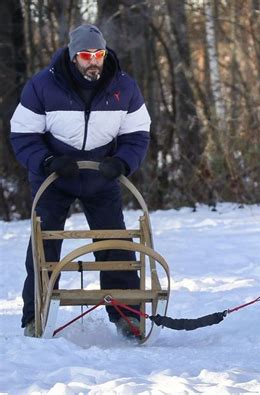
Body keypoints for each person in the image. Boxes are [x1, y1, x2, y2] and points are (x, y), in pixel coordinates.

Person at [10, 24, 151, 338]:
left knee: (116, 244)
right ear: (74, 57)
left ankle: (128, 315)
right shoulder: (43, 85)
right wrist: (47, 161)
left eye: (98, 54)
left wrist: (123, 162)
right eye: (86, 55)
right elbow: (22, 134)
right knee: (43, 245)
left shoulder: (123, 86)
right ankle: (36, 317)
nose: (94, 62)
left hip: (101, 176)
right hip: (55, 176)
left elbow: (138, 134)